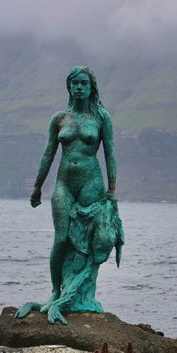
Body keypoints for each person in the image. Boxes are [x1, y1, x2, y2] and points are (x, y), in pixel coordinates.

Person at [16, 66, 124, 324]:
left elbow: (110, 152)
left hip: (91, 182)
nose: (79, 87)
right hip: (64, 183)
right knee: (62, 238)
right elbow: (48, 154)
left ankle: (81, 295)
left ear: (91, 87)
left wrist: (112, 189)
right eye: (74, 83)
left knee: (86, 242)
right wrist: (37, 186)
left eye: (83, 83)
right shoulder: (59, 119)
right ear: (69, 87)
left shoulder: (101, 118)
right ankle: (57, 290)